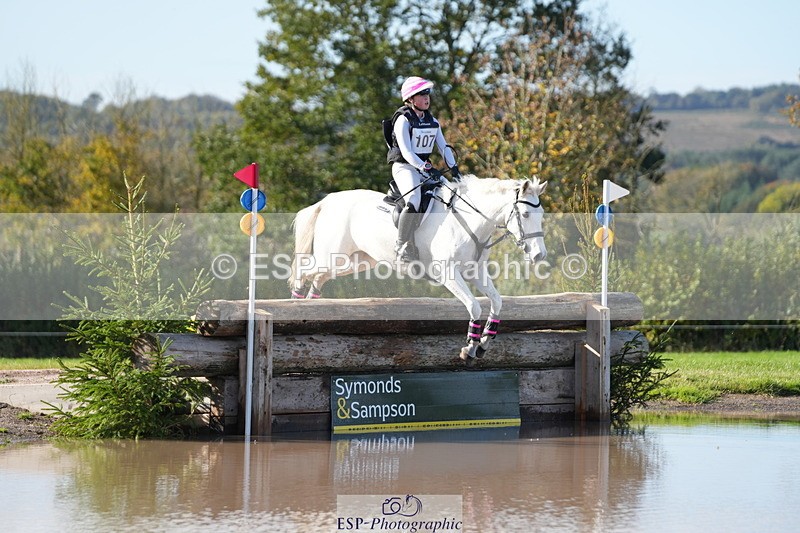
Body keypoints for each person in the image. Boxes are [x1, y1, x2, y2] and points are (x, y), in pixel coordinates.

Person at [386, 76, 461, 263]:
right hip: (404, 167)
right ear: (410, 99)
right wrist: (424, 166)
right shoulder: (403, 120)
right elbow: (407, 151)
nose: (427, 98)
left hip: (422, 168)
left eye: (427, 93)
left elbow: (443, 147)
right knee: (413, 200)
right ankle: (402, 244)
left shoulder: (432, 121)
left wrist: (455, 169)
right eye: (421, 94)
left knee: (453, 193)